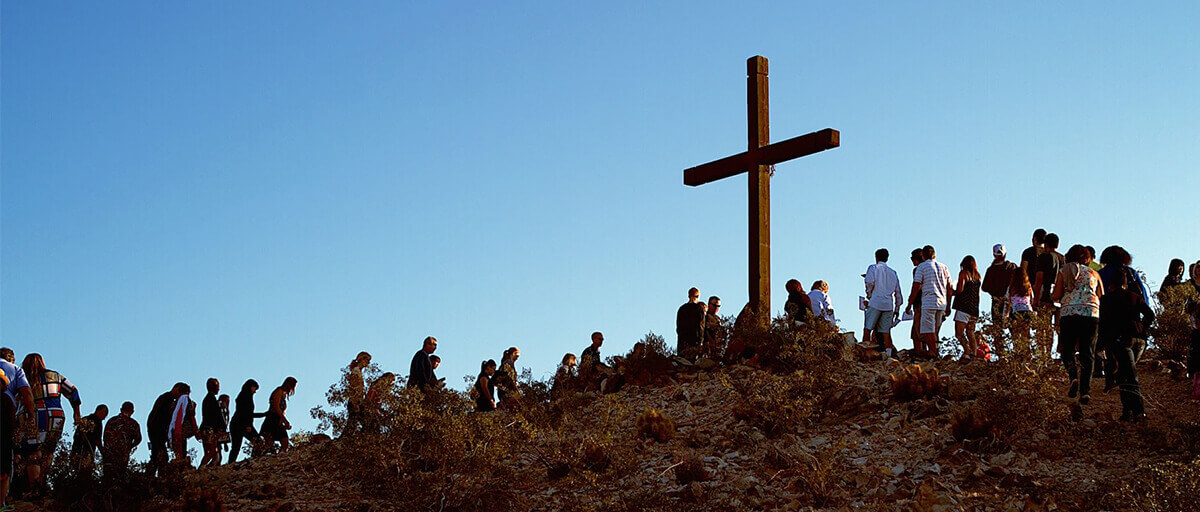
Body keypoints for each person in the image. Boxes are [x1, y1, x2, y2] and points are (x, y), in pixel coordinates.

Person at [20, 353, 82, 490]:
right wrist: (76, 413)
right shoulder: (55, 376)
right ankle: (43, 483)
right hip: (56, 415)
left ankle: (34, 487)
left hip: (34, 415)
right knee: (49, 450)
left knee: (33, 452)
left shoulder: (24, 378)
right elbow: (73, 391)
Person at [1051, 245, 1104, 405]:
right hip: (1091, 313)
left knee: (1067, 349)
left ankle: (1073, 376)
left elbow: (1057, 294)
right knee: (1088, 353)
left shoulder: (1064, 271)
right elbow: (1101, 294)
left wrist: (1053, 296)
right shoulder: (1094, 273)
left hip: (1069, 312)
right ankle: (1085, 391)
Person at [1099, 268, 1154, 422]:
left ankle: (1137, 412)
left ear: (1111, 284)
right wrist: (1142, 327)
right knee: (1126, 373)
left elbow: (1102, 324)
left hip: (1120, 340)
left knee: (1128, 376)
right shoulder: (1134, 296)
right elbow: (1150, 315)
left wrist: (1100, 345)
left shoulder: (1106, 299)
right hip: (1139, 340)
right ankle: (1128, 411)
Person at [2, 357, 35, 510]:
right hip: (5, 418)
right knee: (5, 466)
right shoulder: (15, 370)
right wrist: (31, 415)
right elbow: (26, 393)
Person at [908, 246, 954, 359]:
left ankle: (933, 354)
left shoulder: (921, 267)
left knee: (927, 331)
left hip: (928, 302)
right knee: (935, 330)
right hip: (942, 302)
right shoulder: (944, 267)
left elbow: (916, 286)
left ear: (923, 255)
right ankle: (934, 352)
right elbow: (949, 288)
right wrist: (949, 305)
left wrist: (909, 302)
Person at [864, 248, 904, 356]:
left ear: (876, 257)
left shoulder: (873, 268)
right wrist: (897, 309)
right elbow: (898, 292)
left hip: (876, 301)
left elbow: (869, 282)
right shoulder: (893, 272)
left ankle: (865, 352)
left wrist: (869, 294)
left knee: (868, 328)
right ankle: (888, 354)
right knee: (886, 331)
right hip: (888, 304)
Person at [147, 382, 188, 477]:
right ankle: (155, 477)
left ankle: (153, 476)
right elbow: (163, 417)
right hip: (157, 431)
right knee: (160, 456)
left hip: (156, 430)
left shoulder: (166, 398)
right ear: (176, 389)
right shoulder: (167, 399)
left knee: (158, 455)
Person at [982, 244, 1018, 347]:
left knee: (997, 329)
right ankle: (1018, 352)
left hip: (997, 302)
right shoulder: (1012, 267)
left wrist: (995, 292)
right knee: (1013, 328)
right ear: (1005, 254)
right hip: (1012, 302)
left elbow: (984, 287)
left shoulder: (991, 270)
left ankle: (1001, 353)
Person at [227, 379, 266, 464]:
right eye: (254, 389)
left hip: (237, 424)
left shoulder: (243, 396)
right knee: (257, 442)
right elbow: (245, 413)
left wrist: (263, 414)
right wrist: (247, 425)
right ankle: (254, 459)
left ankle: (231, 463)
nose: (255, 391)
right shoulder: (245, 397)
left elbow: (248, 413)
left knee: (236, 447)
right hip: (241, 424)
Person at [953, 255, 983, 359]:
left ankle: (966, 350)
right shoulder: (978, 276)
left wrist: (951, 292)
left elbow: (960, 289)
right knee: (970, 332)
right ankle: (973, 353)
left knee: (959, 333)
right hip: (974, 308)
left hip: (963, 307)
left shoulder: (964, 273)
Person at [101, 401, 142, 476]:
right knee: (120, 479)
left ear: (121, 409)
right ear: (132, 411)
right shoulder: (134, 424)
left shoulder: (111, 421)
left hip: (109, 457)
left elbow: (105, 437)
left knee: (108, 479)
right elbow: (138, 439)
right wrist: (129, 447)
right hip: (122, 458)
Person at [262, 377, 297, 453]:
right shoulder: (279, 391)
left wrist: (283, 421)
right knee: (269, 444)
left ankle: (280, 457)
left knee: (285, 442)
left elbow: (282, 410)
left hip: (278, 421)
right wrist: (285, 421)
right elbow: (276, 407)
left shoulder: (284, 394)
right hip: (272, 419)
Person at [199, 378, 227, 467]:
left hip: (206, 429)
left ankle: (206, 470)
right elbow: (215, 416)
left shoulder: (208, 399)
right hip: (209, 430)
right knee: (213, 452)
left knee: (213, 454)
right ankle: (202, 468)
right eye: (217, 386)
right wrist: (220, 428)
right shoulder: (211, 400)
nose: (219, 389)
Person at [70, 404, 108, 469]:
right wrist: (103, 452)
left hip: (75, 452)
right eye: (104, 415)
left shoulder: (84, 419)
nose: (104, 418)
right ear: (100, 412)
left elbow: (75, 436)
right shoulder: (97, 422)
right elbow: (97, 439)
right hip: (87, 454)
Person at [1008, 270, 1037, 353]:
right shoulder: (1028, 287)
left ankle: (1017, 352)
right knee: (1026, 334)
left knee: (1015, 334)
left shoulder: (1011, 288)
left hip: (1016, 311)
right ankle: (1027, 352)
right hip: (1027, 310)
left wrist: (1005, 315)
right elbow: (1032, 300)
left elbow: (1008, 301)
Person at [344, 351, 371, 437]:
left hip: (357, 401)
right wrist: (355, 403)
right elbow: (354, 388)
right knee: (353, 423)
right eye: (367, 360)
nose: (368, 362)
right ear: (361, 359)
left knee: (355, 423)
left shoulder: (357, 371)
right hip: (355, 402)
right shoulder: (356, 371)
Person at [168, 383, 197, 462]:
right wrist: (195, 429)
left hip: (174, 429)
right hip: (182, 429)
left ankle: (179, 463)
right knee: (181, 450)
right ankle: (181, 464)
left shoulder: (174, 403)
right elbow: (191, 415)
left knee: (177, 450)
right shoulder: (185, 399)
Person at [906, 248, 927, 351]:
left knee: (916, 331)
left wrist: (910, 302)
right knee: (927, 330)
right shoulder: (929, 268)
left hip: (919, 302)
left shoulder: (918, 270)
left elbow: (916, 287)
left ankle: (919, 351)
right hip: (930, 302)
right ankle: (927, 350)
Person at [676, 287, 706, 358]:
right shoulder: (699, 309)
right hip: (694, 342)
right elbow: (701, 326)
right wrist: (701, 342)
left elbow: (678, 327)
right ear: (698, 296)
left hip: (682, 343)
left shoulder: (681, 309)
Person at [1019, 229, 1047, 293]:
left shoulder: (1028, 252)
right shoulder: (1050, 254)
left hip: (1032, 285)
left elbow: (1023, 270)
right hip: (1048, 287)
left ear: (1035, 239)